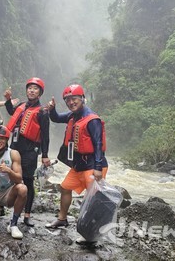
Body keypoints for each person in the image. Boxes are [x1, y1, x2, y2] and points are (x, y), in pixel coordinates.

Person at [45, 84, 108, 237]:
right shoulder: (72, 116)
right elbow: (56, 118)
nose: (71, 102)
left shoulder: (92, 119)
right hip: (79, 164)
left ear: (82, 99)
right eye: (68, 100)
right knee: (65, 188)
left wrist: (98, 167)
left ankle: (93, 232)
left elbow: (98, 144)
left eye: (74, 99)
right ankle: (62, 219)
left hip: (93, 164)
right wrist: (52, 109)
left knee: (92, 198)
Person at [3, 77, 51, 227]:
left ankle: (27, 214)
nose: (32, 90)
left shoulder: (43, 111)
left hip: (31, 150)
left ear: (40, 93)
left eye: (35, 88)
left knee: (28, 181)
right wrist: (8, 99)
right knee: (12, 177)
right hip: (15, 147)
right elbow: (11, 111)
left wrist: (44, 155)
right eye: (30, 88)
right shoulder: (22, 105)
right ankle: (9, 207)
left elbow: (45, 135)